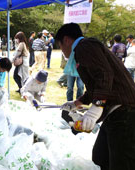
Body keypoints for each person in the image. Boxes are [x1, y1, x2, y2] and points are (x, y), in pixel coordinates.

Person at [57, 23, 135, 170]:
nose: (62, 51)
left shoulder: (85, 46)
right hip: (115, 110)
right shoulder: (84, 49)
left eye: (60, 46)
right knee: (100, 155)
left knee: (122, 162)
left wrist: (96, 107)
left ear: (66, 40)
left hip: (125, 109)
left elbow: (104, 75)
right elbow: (96, 86)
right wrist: (77, 102)